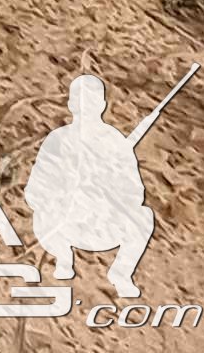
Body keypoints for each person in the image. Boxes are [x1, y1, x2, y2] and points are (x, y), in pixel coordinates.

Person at [25, 73, 156, 299]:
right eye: (80, 100)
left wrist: (108, 186)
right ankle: (63, 259)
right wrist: (65, 190)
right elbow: (35, 189)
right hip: (64, 223)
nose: (86, 107)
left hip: (101, 224)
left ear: (102, 104)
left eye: (92, 101)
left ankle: (121, 273)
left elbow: (135, 193)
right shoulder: (57, 139)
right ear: (71, 103)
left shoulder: (115, 142)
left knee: (143, 217)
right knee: (42, 215)